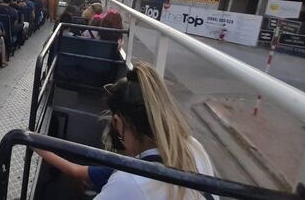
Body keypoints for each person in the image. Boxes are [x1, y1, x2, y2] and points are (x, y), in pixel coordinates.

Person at [34, 62, 217, 200]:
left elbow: (76, 172)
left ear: (118, 122)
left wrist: (32, 141)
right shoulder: (193, 146)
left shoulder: (130, 181)